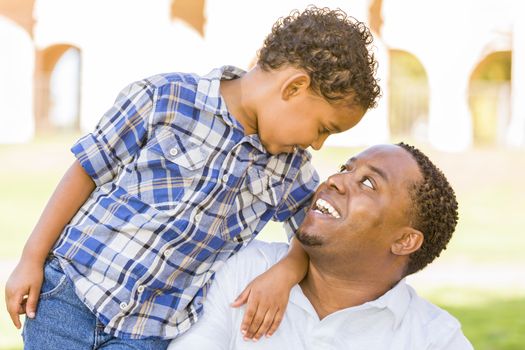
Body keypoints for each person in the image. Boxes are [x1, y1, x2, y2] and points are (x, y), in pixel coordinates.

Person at [4, 6, 381, 350]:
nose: (317, 145)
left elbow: (312, 232)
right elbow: (85, 171)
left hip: (148, 332)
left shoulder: (290, 168)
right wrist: (31, 259)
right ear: (293, 88)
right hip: (69, 293)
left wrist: (287, 271)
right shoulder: (165, 98)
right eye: (322, 128)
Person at [169, 143, 474, 349]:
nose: (335, 180)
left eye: (368, 183)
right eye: (346, 168)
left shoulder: (435, 339)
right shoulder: (245, 269)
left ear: (404, 240)